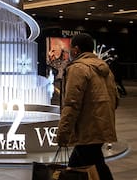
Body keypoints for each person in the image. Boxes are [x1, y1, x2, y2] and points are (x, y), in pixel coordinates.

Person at [57, 33, 118, 180]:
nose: (69, 52)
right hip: (102, 126)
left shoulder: (78, 68)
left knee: (96, 166)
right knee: (79, 165)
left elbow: (71, 104)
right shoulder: (105, 69)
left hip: (87, 130)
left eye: (70, 48)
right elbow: (115, 99)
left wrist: (63, 133)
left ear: (76, 50)